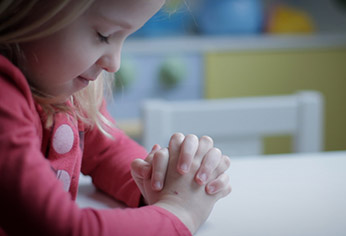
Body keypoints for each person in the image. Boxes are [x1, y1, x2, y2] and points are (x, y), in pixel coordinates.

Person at [0, 0, 232, 235]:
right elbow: (58, 228)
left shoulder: (60, 86)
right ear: (24, 9)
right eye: (104, 35)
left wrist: (165, 182)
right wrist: (179, 215)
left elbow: (106, 152)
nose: (114, 64)